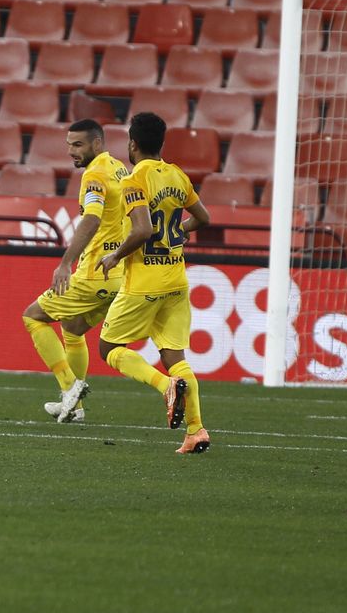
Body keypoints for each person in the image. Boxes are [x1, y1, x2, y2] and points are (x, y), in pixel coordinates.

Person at [96, 112, 212, 454]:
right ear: (161, 143)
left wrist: (116, 255)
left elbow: (143, 229)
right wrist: (178, 233)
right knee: (175, 356)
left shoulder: (134, 180)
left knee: (108, 348)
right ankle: (196, 431)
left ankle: (166, 386)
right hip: (176, 281)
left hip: (143, 283)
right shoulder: (178, 175)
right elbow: (203, 218)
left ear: (132, 144)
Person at [22, 120, 129, 424]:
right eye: (69, 144)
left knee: (33, 316)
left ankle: (71, 388)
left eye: (78, 144)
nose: (71, 151)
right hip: (119, 272)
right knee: (73, 329)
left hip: (94, 273)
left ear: (97, 144)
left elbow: (92, 219)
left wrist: (65, 262)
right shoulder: (118, 168)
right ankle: (75, 408)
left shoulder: (94, 175)